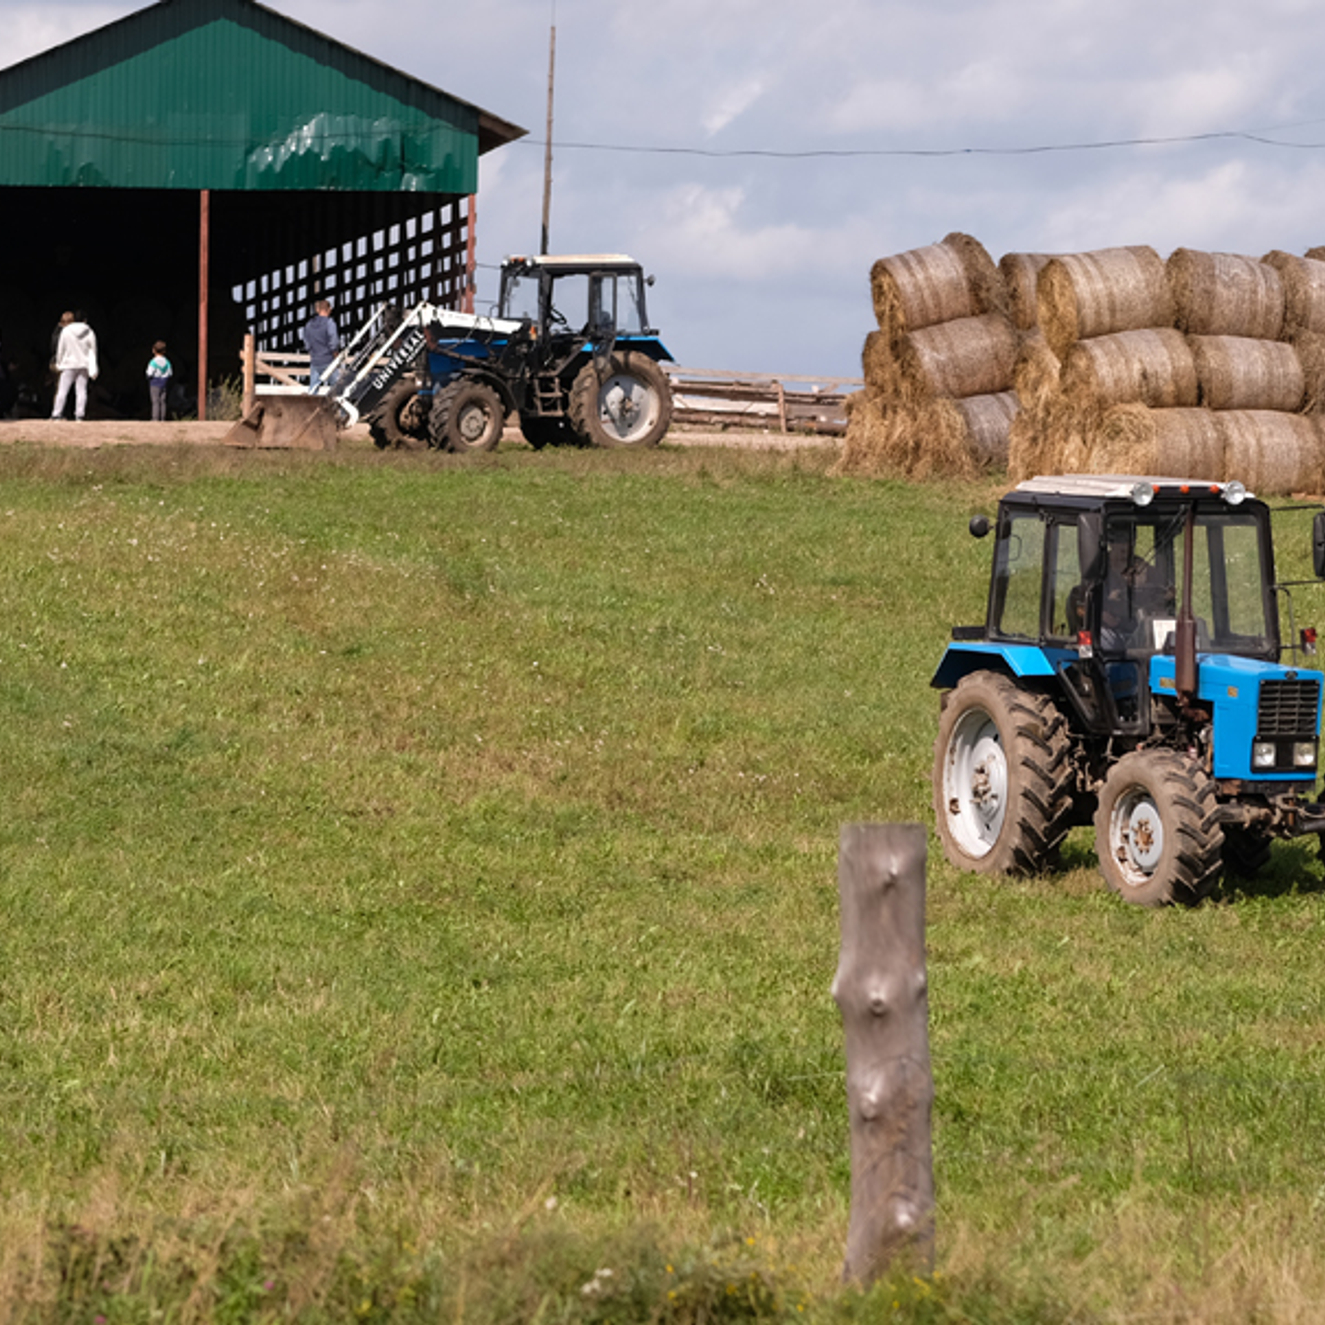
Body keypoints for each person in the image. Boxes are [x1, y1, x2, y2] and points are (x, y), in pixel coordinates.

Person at [51, 310, 98, 421]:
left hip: (69, 364)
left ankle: (56, 413)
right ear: (85, 320)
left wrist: (59, 362)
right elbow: (93, 349)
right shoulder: (89, 331)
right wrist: (93, 365)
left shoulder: (66, 331)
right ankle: (79, 414)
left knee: (62, 391)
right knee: (81, 391)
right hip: (83, 364)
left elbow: (61, 348)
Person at [303, 299, 340, 390]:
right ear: (329, 309)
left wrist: (313, 353)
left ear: (318, 310)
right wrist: (336, 357)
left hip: (315, 361)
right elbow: (334, 343)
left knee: (313, 389)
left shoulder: (309, 325)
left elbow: (307, 343)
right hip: (328, 360)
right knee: (338, 388)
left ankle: (311, 403)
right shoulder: (329, 323)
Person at [145, 340, 173, 421]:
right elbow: (170, 373)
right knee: (163, 401)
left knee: (155, 401)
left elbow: (149, 373)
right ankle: (163, 418)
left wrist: (148, 377)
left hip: (154, 383)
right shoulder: (167, 362)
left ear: (153, 350)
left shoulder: (153, 362)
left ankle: (155, 418)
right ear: (164, 351)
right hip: (164, 383)